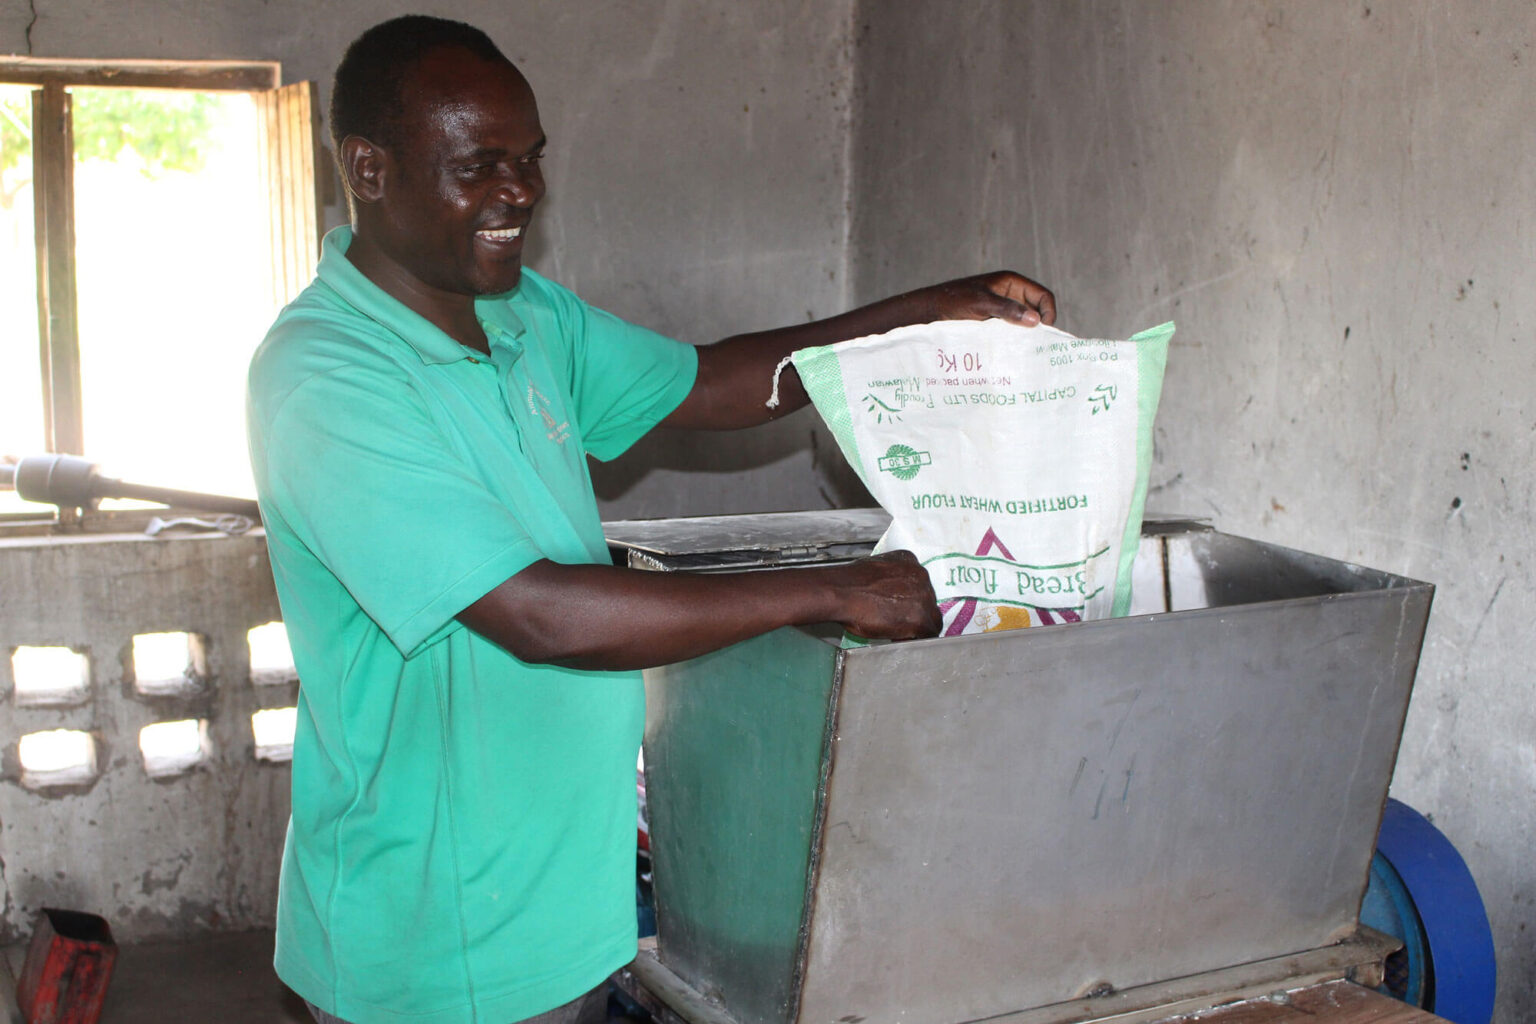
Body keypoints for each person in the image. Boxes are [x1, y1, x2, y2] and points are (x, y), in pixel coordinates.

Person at [246, 14, 1056, 1024]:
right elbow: (538, 615)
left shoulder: (525, 315)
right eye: (480, 165)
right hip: (434, 946)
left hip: (563, 912)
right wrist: (836, 589)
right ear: (369, 170)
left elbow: (717, 383)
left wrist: (917, 314)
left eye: (531, 160)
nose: (520, 192)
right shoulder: (326, 378)